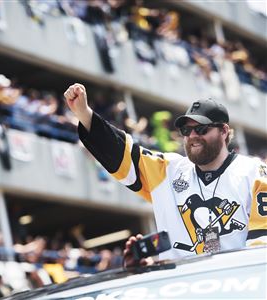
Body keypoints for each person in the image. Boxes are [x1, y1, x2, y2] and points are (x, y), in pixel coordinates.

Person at [64, 83, 267, 267]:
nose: (193, 136)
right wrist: (84, 113)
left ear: (224, 131)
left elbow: (262, 248)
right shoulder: (169, 170)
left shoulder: (254, 172)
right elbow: (122, 154)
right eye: (186, 130)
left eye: (202, 129)